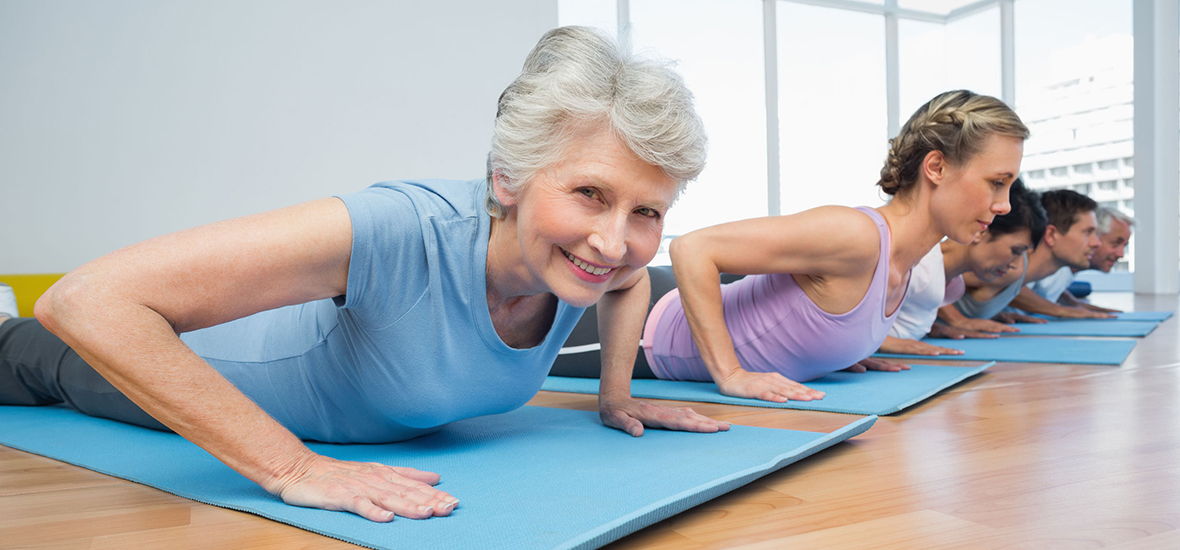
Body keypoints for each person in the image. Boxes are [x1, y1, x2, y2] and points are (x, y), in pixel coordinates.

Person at [0, 26, 728, 523]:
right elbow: (90, 301)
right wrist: (292, 468)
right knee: (18, 352)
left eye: (647, 212)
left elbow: (631, 279)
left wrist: (616, 395)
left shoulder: (585, 267)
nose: (615, 240)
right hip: (144, 368)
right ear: (508, 178)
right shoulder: (402, 229)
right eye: (590, 194)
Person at [550, 90, 1028, 404]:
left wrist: (840, 349)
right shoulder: (856, 235)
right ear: (937, 168)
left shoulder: (906, 259)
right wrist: (731, 373)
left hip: (659, 321)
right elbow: (693, 248)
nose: (1004, 204)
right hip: (640, 331)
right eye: (996, 182)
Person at [879, 178, 1047, 356]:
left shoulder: (950, 281)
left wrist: (930, 328)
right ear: (981, 231)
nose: (1015, 265)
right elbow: (850, 318)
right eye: (1016, 250)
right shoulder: (918, 264)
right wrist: (885, 343)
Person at [957, 189, 1114, 321]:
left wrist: (993, 312)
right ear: (1051, 235)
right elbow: (938, 279)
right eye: (1088, 232)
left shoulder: (1015, 273)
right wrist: (956, 321)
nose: (1096, 243)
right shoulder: (1008, 267)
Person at [1052, 206, 1135, 313]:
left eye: (1124, 246)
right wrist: (1061, 310)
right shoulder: (1053, 267)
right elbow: (1023, 290)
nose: (1121, 254)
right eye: (1115, 243)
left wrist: (1073, 303)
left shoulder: (1063, 273)